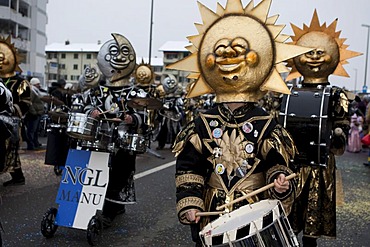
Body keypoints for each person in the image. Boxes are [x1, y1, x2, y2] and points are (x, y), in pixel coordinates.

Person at [168, 0, 313, 245]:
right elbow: (188, 169)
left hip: (253, 214)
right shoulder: (201, 123)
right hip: (212, 212)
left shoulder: (268, 125)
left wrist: (278, 183)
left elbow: (279, 166)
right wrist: (191, 203)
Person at [282, 10, 361, 246]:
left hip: (318, 167)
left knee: (311, 221)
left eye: (320, 52)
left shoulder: (337, 95)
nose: (314, 57)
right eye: (308, 53)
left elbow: (340, 137)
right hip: (291, 167)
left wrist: (338, 133)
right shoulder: (288, 93)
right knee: (287, 217)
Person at [87, 33, 148, 227]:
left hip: (123, 143)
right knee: (98, 173)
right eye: (114, 53)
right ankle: (98, 206)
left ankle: (111, 211)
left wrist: (132, 118)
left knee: (119, 176)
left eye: (124, 53)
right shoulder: (97, 90)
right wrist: (92, 112)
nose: (120, 58)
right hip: (99, 139)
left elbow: (145, 116)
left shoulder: (135, 91)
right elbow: (84, 108)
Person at [0, 35, 29, 186]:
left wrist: (13, 109)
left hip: (12, 120)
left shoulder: (20, 82)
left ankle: (18, 177)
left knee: (11, 149)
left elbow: (26, 102)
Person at [156, 74, 184, 150]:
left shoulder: (177, 98)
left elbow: (180, 107)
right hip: (165, 116)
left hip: (174, 117)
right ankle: (161, 144)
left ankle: (174, 144)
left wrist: (173, 108)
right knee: (162, 130)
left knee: (175, 131)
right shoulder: (163, 97)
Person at [25, 78, 46, 150]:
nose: (39, 85)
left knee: (36, 130)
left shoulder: (36, 91)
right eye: (37, 84)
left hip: (38, 113)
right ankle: (30, 144)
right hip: (34, 113)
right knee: (31, 130)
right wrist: (34, 112)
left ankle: (35, 142)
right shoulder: (32, 91)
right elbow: (29, 103)